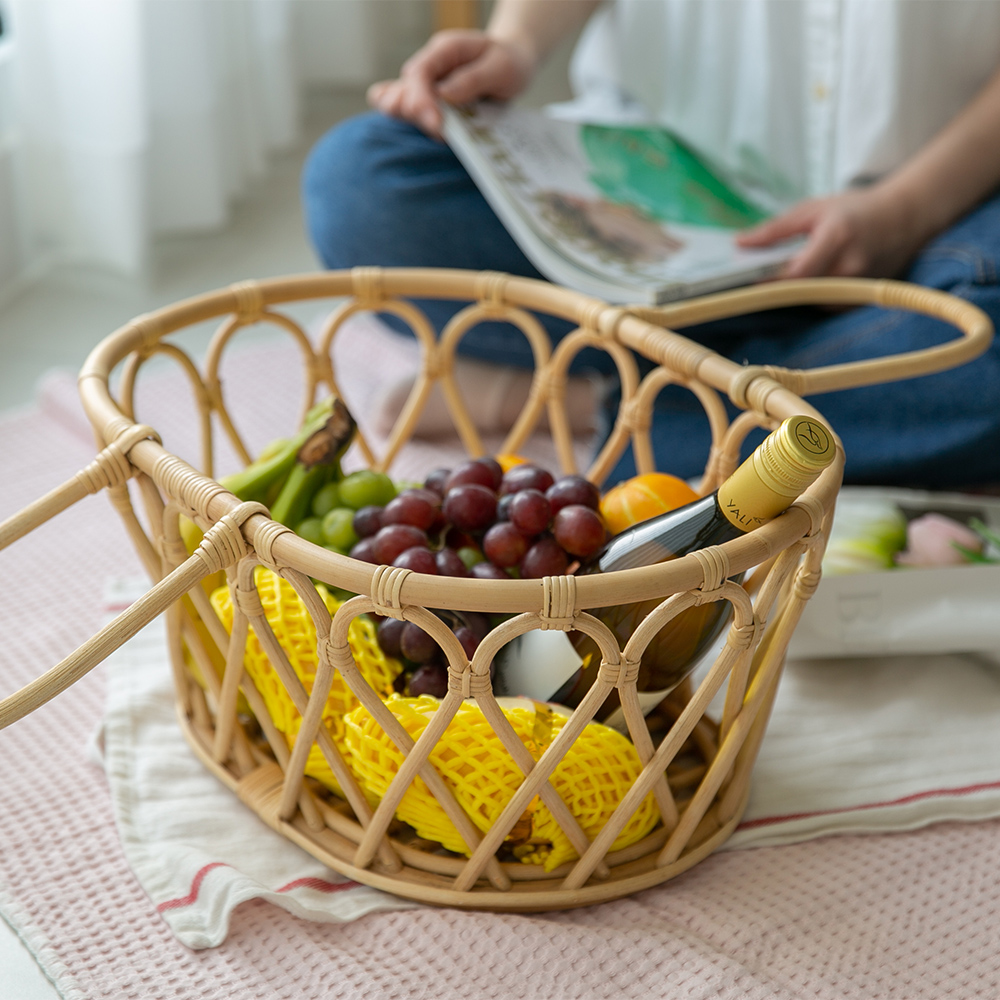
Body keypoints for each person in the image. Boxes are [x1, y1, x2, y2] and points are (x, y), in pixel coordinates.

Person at [302, 0, 1000, 489]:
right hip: (660, 187)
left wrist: (906, 209)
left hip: (942, 212)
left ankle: (589, 399)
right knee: (361, 184)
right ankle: (850, 371)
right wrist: (515, 43)